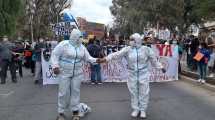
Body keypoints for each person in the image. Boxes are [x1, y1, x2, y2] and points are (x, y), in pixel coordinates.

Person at [97, 33, 166, 118]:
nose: (130, 41)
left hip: (143, 73)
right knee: (133, 92)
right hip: (132, 74)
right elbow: (116, 54)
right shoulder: (127, 49)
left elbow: (154, 60)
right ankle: (136, 109)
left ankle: (143, 110)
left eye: (132, 40)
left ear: (137, 40)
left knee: (144, 92)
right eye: (130, 40)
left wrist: (161, 67)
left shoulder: (146, 49)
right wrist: (105, 59)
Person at [51, 29, 99, 120]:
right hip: (64, 72)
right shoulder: (63, 44)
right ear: (75, 37)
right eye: (80, 37)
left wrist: (97, 60)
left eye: (81, 37)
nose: (81, 39)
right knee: (63, 92)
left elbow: (88, 58)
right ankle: (61, 113)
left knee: (75, 92)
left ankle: (75, 112)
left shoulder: (82, 47)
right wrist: (55, 66)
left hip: (77, 73)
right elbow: (55, 55)